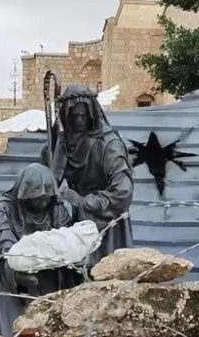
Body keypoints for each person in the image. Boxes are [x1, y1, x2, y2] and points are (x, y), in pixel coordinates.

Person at [0, 163, 79, 337]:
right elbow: (2, 243)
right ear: (25, 194)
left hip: (48, 274)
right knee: (11, 326)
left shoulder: (56, 208)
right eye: (37, 197)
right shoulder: (4, 209)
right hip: (9, 273)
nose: (43, 202)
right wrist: (14, 271)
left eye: (47, 197)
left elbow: (65, 238)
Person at [41, 84, 134, 266]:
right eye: (74, 116)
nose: (79, 120)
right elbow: (49, 179)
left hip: (105, 221)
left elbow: (123, 193)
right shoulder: (60, 143)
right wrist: (57, 146)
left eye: (83, 115)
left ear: (91, 113)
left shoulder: (109, 144)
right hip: (73, 223)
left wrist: (83, 202)